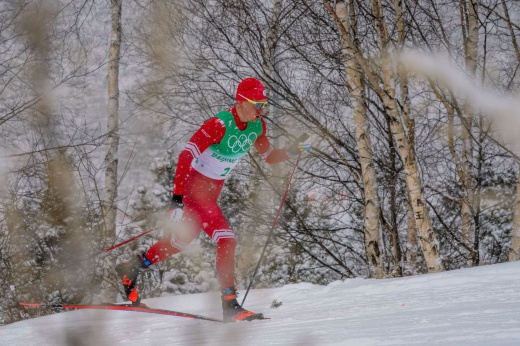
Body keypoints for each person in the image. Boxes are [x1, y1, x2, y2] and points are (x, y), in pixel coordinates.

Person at [116, 77, 310, 322]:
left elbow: (269, 156)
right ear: (241, 102)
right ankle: (229, 304)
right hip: (194, 189)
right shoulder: (218, 124)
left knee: (182, 241)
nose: (262, 110)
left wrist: (293, 151)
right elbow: (187, 156)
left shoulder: (257, 127)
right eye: (258, 104)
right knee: (226, 240)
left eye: (264, 105)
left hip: (212, 191)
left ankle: (133, 266)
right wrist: (176, 199)